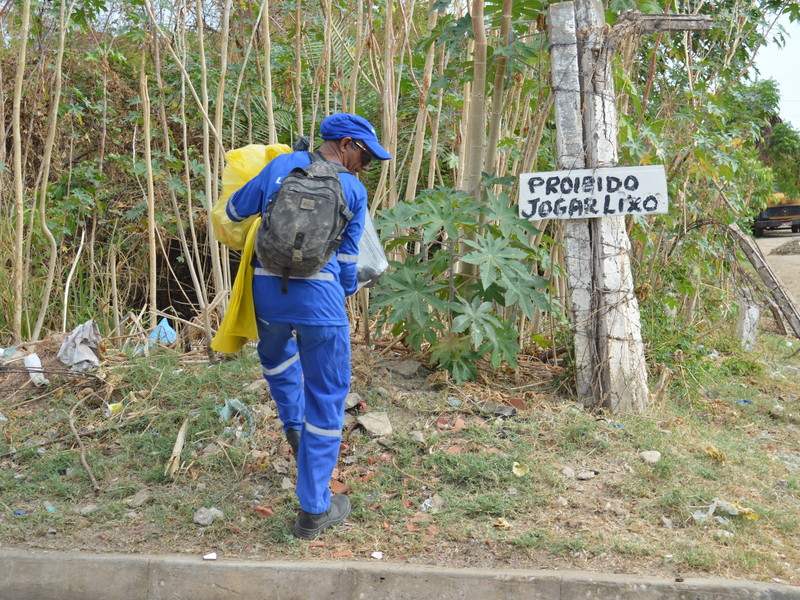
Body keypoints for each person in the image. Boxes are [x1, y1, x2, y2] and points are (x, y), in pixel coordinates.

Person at [225, 113, 391, 539]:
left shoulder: (280, 167)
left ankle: (295, 430)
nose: (365, 165)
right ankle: (314, 510)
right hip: (321, 300)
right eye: (365, 155)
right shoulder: (353, 189)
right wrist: (344, 288)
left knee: (279, 362)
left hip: (267, 294)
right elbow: (350, 264)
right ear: (347, 144)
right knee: (328, 396)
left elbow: (233, 210)